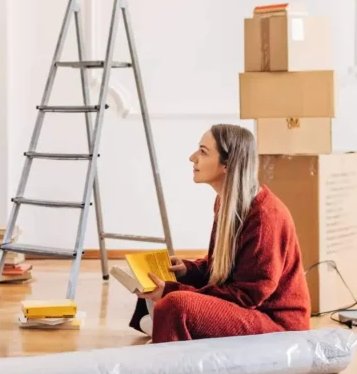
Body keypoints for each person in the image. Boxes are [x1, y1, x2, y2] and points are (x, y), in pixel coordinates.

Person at [129, 124, 311, 342]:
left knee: (175, 303)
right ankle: (165, 324)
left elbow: (248, 295)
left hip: (277, 323)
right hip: (250, 310)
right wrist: (187, 271)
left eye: (203, 152)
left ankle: (167, 326)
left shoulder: (265, 216)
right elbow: (224, 268)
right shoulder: (226, 202)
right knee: (157, 278)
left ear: (228, 164)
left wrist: (171, 291)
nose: (192, 158)